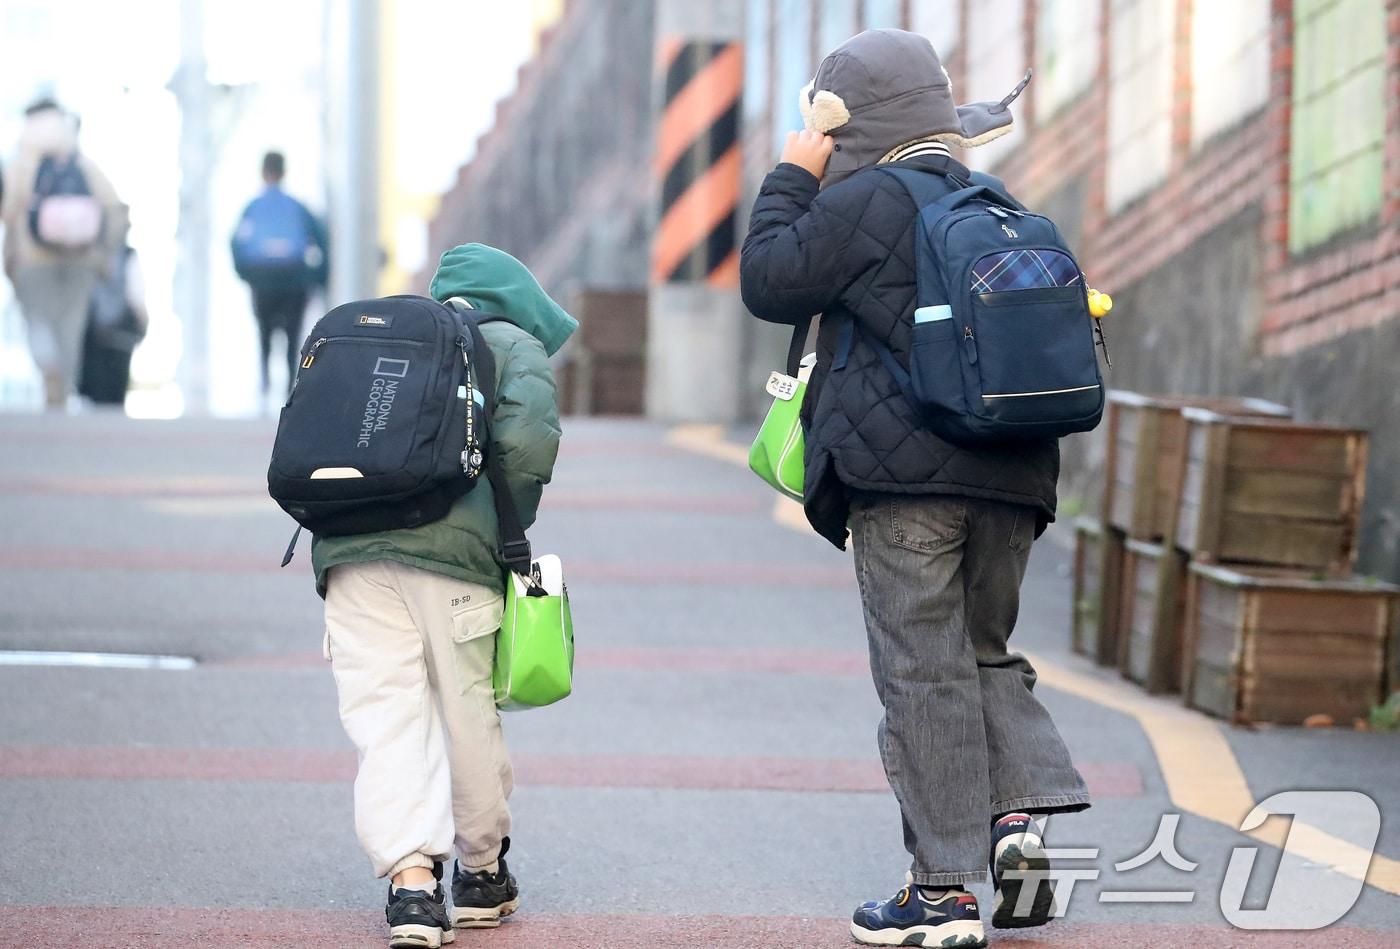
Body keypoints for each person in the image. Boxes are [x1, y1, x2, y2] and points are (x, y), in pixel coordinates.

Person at [740, 30, 1090, 948]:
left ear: (846, 123)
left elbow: (770, 278)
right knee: (984, 650)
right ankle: (1014, 822)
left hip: (907, 484)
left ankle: (941, 893)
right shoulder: (996, 199)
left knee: (922, 672)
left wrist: (792, 170)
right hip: (1015, 476)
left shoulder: (864, 199)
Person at [313, 243, 576, 949]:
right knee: (463, 711)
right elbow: (524, 451)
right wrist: (498, 529)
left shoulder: (383, 344)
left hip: (349, 553)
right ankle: (482, 873)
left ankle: (411, 887)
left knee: (387, 716)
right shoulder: (513, 344)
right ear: (519, 301)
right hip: (453, 565)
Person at [1, 98, 123, 409]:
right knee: (71, 326)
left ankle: (49, 368)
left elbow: (9, 213)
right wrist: (103, 252)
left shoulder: (21, 165)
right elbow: (114, 207)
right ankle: (61, 393)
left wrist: (11, 255)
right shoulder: (80, 162)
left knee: (38, 321)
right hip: (80, 260)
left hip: (32, 262)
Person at [230, 151, 328, 398]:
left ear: (263, 172)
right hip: (294, 280)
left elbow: (235, 243)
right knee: (293, 335)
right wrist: (317, 277)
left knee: (264, 333)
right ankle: (289, 386)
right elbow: (322, 241)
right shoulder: (298, 207)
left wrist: (246, 274)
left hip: (262, 281)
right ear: (284, 172)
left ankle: (264, 383)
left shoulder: (253, 208)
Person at [78, 204, 148, 406]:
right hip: (121, 333)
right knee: (115, 396)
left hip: (94, 333)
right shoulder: (128, 255)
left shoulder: (88, 253)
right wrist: (144, 322)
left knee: (94, 395)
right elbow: (136, 294)